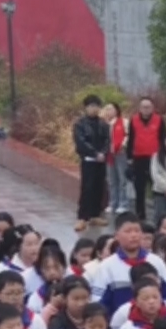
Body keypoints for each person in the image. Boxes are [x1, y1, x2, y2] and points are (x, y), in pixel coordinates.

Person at [71, 95, 109, 232]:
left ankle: (95, 215)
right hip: (88, 160)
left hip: (101, 160)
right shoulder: (80, 124)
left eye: (97, 106)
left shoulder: (103, 124)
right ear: (86, 108)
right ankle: (82, 217)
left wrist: (103, 153)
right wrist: (94, 153)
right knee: (87, 188)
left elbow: (107, 140)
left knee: (99, 187)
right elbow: (81, 142)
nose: (94, 109)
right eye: (91, 106)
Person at [124, 98, 163, 220]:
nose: (146, 109)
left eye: (148, 107)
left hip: (155, 158)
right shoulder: (134, 120)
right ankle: (140, 215)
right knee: (139, 187)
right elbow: (131, 139)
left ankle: (159, 214)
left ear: (152, 108)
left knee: (156, 186)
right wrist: (129, 157)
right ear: (140, 108)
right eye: (143, 107)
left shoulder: (159, 120)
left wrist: (163, 156)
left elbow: (163, 138)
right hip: (138, 158)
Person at [102, 103, 128, 218]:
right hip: (109, 155)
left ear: (117, 110)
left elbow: (128, 135)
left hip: (121, 153)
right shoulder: (104, 124)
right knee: (111, 180)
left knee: (122, 179)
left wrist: (123, 145)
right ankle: (113, 203)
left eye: (111, 109)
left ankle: (123, 203)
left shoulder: (124, 122)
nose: (109, 111)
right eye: (107, 109)